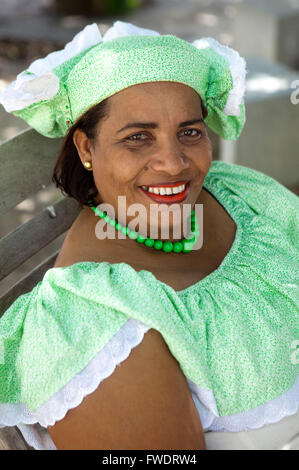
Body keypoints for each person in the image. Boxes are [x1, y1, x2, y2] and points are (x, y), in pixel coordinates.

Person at [0, 21, 298, 451]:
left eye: (189, 132)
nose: (174, 163)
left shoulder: (238, 194)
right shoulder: (95, 324)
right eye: (138, 137)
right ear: (86, 149)